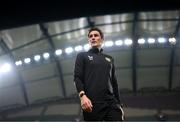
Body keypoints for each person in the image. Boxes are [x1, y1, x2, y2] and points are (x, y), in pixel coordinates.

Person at [74, 27, 124, 121]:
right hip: (92, 104)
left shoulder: (109, 59)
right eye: (90, 36)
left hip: (111, 103)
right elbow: (77, 77)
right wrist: (82, 96)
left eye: (96, 35)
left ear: (102, 39)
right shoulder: (82, 56)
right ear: (89, 40)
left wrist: (119, 105)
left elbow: (114, 83)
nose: (93, 37)